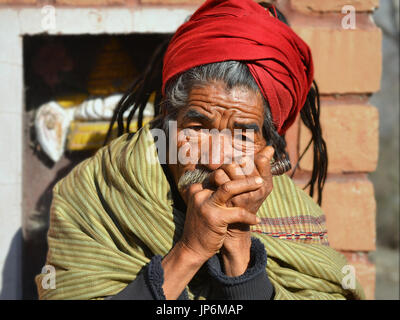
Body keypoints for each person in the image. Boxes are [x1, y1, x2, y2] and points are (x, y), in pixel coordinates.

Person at [36, 0, 365, 300]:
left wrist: (239, 252)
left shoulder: (296, 220)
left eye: (243, 136)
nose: (213, 158)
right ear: (168, 120)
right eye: (196, 128)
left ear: (270, 150)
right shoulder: (97, 192)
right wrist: (189, 251)